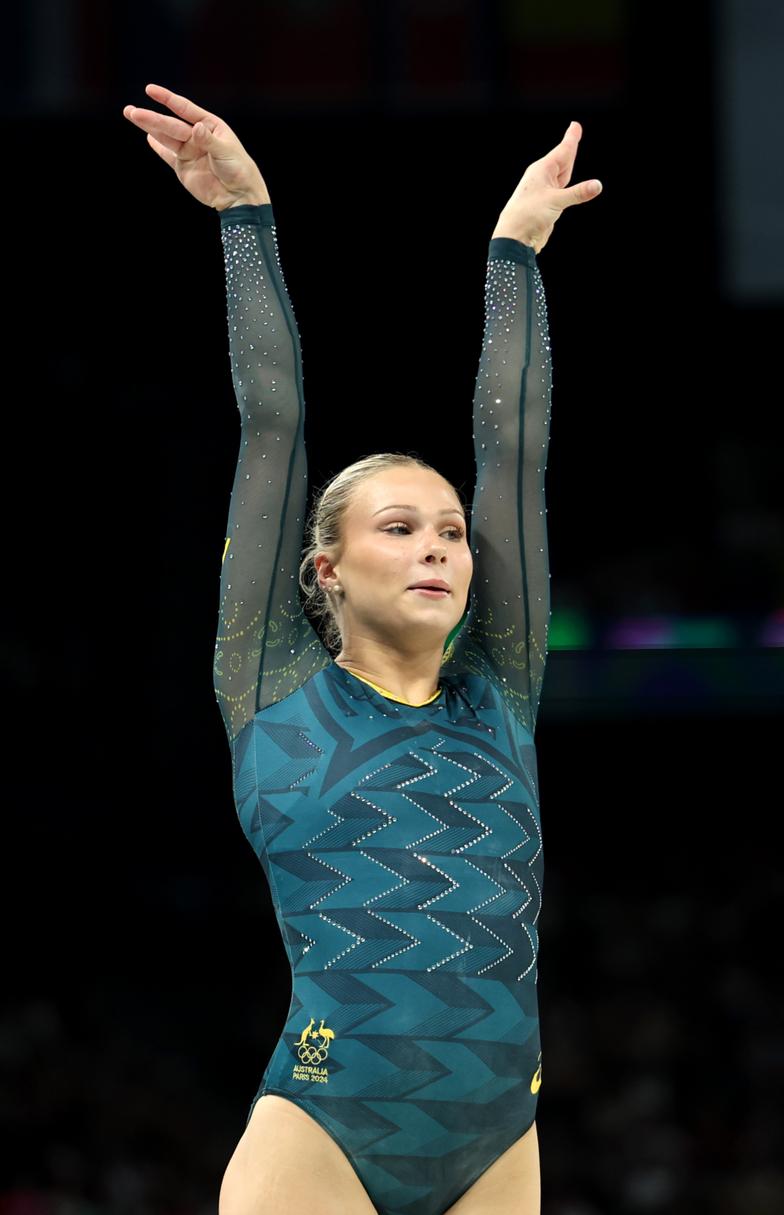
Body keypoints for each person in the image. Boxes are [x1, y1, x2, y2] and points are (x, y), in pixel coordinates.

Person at [123, 83, 602, 1215]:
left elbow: (514, 450)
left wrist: (515, 253)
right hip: (327, 1129)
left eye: (448, 532)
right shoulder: (270, 680)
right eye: (400, 528)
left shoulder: (503, 687)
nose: (439, 546)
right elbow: (273, 420)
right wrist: (245, 220)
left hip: (500, 1133)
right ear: (325, 569)